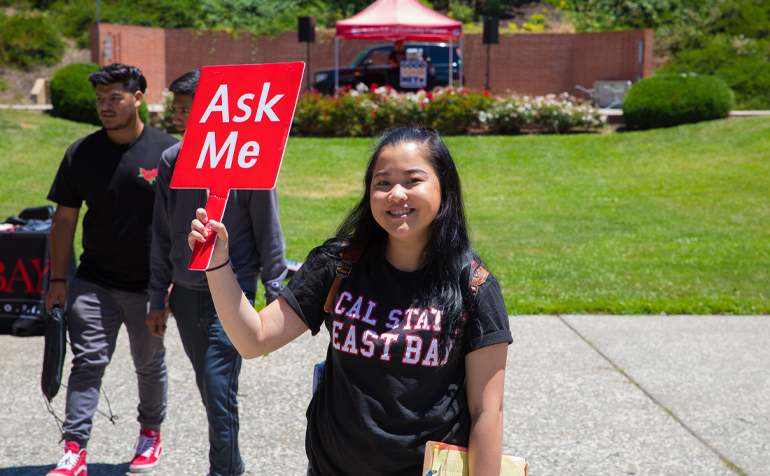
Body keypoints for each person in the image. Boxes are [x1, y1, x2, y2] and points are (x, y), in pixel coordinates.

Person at [190, 126, 512, 475]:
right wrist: (217, 262)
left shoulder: (474, 286)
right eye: (383, 182)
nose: (395, 194)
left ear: (444, 187)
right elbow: (254, 340)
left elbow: (486, 411)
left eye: (412, 180)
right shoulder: (338, 265)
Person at [146, 70, 288, 476]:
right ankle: (232, 464)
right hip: (187, 295)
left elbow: (269, 230)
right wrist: (158, 296)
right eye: (175, 110)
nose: (177, 117)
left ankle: (224, 471)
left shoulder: (248, 158)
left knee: (216, 384)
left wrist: (276, 294)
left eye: (187, 110)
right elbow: (161, 233)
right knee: (213, 390)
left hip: (233, 291)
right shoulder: (171, 161)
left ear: (212, 111)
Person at [45, 63, 178, 476]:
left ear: (138, 97)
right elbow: (64, 220)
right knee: (87, 362)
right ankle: (74, 449)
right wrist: (57, 279)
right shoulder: (81, 153)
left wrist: (172, 283)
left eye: (115, 98)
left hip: (150, 286)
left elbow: (186, 221)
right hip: (94, 280)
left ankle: (150, 436)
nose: (105, 106)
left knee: (149, 364)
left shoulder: (169, 152)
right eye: (100, 99)